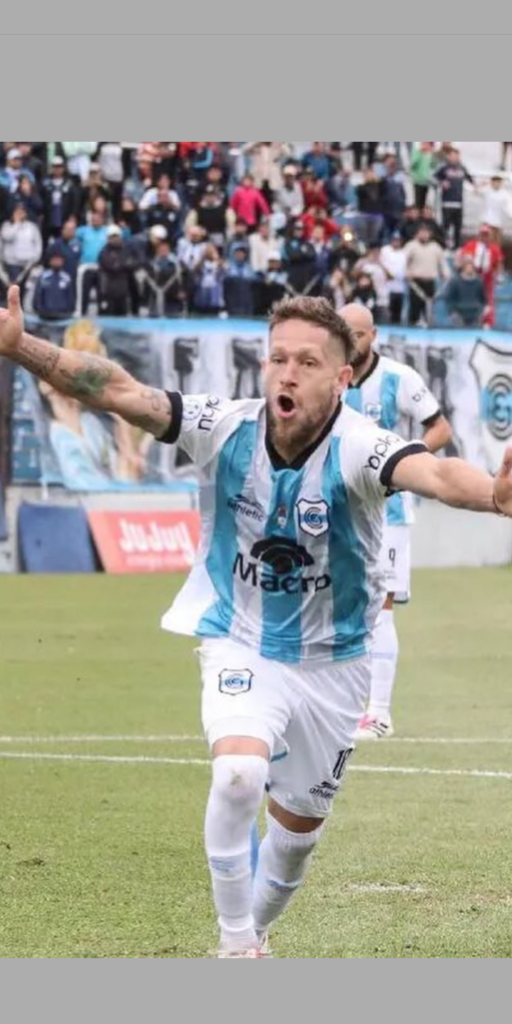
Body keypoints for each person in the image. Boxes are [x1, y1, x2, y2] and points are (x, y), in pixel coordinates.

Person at [2, 286, 511, 959]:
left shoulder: (361, 446)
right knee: (238, 775)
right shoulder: (223, 425)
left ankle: (257, 930)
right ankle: (236, 945)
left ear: (342, 378)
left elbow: (438, 475)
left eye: (308, 362)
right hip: (240, 639)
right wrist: (21, 347)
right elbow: (119, 391)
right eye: (278, 359)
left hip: (335, 662)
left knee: (295, 841)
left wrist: (495, 495)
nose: (288, 373)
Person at [342, 303, 453, 739]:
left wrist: (406, 463)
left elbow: (440, 428)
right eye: (344, 332)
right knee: (342, 607)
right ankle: (343, 708)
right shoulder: (330, 376)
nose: (351, 341)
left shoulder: (398, 377)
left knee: (380, 609)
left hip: (387, 512)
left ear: (374, 335)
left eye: (358, 333)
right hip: (339, 508)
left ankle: (380, 713)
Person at [404, 224, 450, 326]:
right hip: (416, 283)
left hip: (430, 282)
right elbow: (403, 262)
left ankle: (429, 328)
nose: (424, 235)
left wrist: (446, 274)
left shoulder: (435, 247)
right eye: (422, 232)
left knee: (429, 309)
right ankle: (412, 328)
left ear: (430, 234)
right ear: (417, 233)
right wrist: (406, 272)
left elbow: (442, 263)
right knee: (414, 309)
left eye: (426, 232)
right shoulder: (411, 246)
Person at [433, 146, 475, 250]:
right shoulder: (444, 167)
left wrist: (476, 185)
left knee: (458, 226)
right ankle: (443, 245)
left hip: (459, 202)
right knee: (445, 226)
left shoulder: (462, 167)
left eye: (456, 156)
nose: (454, 158)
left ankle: (456, 247)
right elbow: (433, 178)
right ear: (448, 156)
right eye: (452, 156)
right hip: (447, 202)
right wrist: (442, 183)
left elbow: (470, 179)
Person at [444, 256, 487, 327]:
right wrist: (452, 313)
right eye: (467, 266)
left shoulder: (479, 282)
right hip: (459, 315)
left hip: (475, 315)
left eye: (471, 266)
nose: (469, 268)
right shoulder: (455, 281)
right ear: (463, 267)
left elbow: (483, 299)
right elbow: (449, 299)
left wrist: (481, 312)